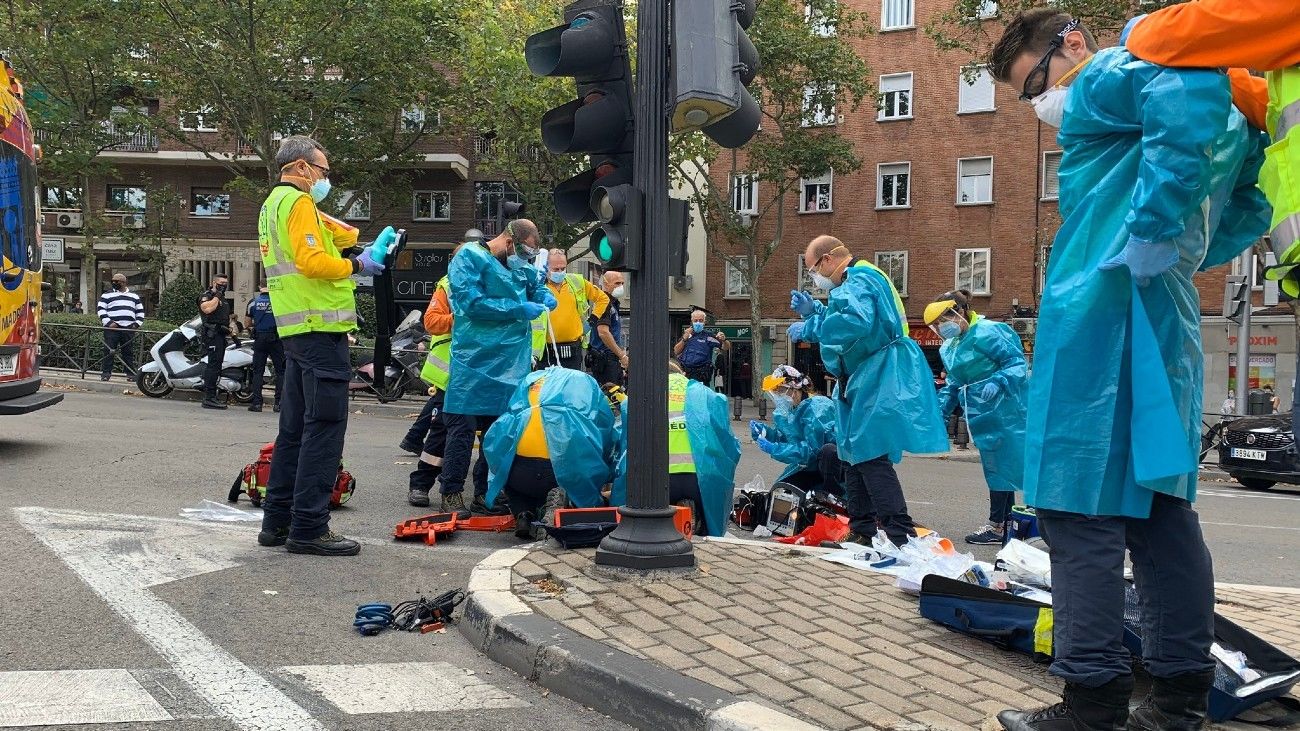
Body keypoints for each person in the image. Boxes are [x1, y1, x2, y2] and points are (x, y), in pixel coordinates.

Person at [985, 10, 1271, 730]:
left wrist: (1145, 226)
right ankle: (1177, 699)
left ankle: (1092, 703)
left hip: (1098, 315)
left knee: (1076, 510)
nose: (1040, 105)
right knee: (1163, 515)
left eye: (1033, 85)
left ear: (1071, 43)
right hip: (1162, 316)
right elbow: (1247, 209)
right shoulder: (1241, 109)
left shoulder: (1107, 73)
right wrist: (1171, 242)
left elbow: (1183, 97)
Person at [256, 134, 394, 557]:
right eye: (322, 171)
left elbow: (332, 238)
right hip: (319, 329)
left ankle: (277, 522)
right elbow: (313, 262)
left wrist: (360, 244)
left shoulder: (272, 204)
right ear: (301, 167)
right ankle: (310, 528)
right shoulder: (297, 203)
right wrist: (360, 265)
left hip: (296, 329)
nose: (324, 178)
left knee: (294, 430)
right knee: (325, 428)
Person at [788, 236, 948, 547]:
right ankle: (862, 528)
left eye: (812, 271)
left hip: (876, 374)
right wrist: (817, 313)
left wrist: (813, 326)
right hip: (864, 375)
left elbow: (854, 322)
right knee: (852, 454)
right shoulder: (858, 279)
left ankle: (900, 535)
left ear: (828, 260)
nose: (815, 279)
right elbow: (854, 319)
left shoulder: (858, 278)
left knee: (870, 454)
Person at [438, 219, 555, 519]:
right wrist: (518, 310)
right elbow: (471, 302)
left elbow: (534, 287)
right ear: (508, 240)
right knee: (462, 431)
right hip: (474, 360)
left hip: (509, 363)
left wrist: (543, 297)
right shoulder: (469, 257)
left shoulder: (521, 266)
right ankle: (451, 493)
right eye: (525, 252)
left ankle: (485, 493)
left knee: (497, 433)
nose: (526, 260)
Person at [924, 290, 1029, 545]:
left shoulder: (989, 332)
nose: (941, 328)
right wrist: (939, 411)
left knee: (1017, 466)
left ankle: (1011, 524)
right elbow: (952, 383)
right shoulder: (950, 347)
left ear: (958, 312)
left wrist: (1000, 380)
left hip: (1007, 410)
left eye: (942, 321)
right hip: (981, 415)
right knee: (998, 470)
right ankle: (1004, 524)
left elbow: (1016, 363)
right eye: (936, 325)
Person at [482, 368, 617, 540]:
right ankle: (555, 508)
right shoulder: (585, 390)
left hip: (520, 474)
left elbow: (496, 448)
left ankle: (523, 513)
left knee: (507, 469)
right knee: (577, 477)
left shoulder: (529, 387)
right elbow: (607, 437)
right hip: (561, 472)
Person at [611, 361, 741, 536]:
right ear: (683, 375)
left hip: (655, 481)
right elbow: (727, 442)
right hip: (701, 480)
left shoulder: (640, 397)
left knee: (650, 528)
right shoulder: (707, 395)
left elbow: (623, 445)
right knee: (707, 529)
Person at [406, 245, 461, 507]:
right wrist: (460, 317)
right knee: (440, 431)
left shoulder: (491, 279)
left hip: (481, 373)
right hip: (451, 372)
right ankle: (420, 484)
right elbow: (432, 322)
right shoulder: (448, 285)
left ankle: (485, 491)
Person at [749, 365, 842, 496]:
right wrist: (766, 434)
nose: (777, 396)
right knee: (778, 494)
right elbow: (787, 437)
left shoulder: (817, 409)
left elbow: (811, 451)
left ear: (795, 389)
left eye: (781, 390)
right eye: (775, 392)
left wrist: (775, 449)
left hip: (828, 471)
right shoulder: (791, 410)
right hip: (809, 467)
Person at [532, 250, 609, 370]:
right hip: (546, 351)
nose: (560, 272)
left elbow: (602, 298)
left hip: (573, 350)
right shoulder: (538, 287)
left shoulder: (576, 282)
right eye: (555, 269)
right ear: (546, 268)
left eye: (563, 268)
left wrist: (592, 320)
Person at [244, 283, 285, 413]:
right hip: (276, 338)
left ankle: (257, 403)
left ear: (259, 287)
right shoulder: (279, 301)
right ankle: (279, 404)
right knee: (281, 371)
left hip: (260, 338)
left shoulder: (253, 302)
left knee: (258, 371)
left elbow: (247, 323)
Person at [97, 273, 144, 382]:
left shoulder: (134, 296)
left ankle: (130, 374)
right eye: (113, 281)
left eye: (116, 281)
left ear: (123, 282)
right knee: (109, 351)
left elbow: (140, 312)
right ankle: (106, 373)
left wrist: (136, 325)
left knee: (128, 352)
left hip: (128, 328)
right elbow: (101, 309)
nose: (114, 283)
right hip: (112, 328)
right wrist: (109, 323)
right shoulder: (106, 295)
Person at [197, 273, 232, 410]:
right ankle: (209, 398)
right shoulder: (207, 296)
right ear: (214, 283)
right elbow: (207, 309)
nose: (224, 285)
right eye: (221, 283)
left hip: (220, 336)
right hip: (211, 335)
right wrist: (217, 295)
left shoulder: (223, 298)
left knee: (217, 366)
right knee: (213, 366)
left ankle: (213, 395)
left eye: (225, 283)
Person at [588, 271, 628, 387]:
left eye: (622, 283)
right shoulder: (604, 302)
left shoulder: (613, 303)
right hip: (605, 359)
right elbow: (603, 332)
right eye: (617, 283)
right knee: (611, 397)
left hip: (610, 358)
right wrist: (622, 356)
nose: (620, 286)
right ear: (605, 284)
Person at [673, 309, 729, 386]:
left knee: (699, 396)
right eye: (695, 320)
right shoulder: (687, 334)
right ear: (692, 321)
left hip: (701, 375)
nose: (698, 323)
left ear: (704, 322)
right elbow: (676, 351)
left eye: (701, 320)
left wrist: (724, 340)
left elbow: (725, 347)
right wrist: (684, 339)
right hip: (685, 373)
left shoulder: (709, 336)